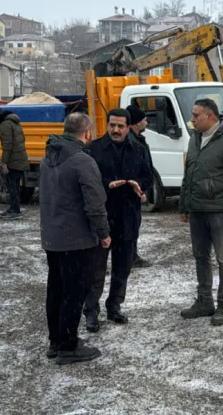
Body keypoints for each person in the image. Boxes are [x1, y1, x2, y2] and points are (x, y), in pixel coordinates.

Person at [39, 112, 111, 365]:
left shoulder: (48, 157)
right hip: (77, 239)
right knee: (74, 291)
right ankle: (68, 346)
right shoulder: (82, 161)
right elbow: (94, 203)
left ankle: (56, 341)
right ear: (88, 132)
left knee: (56, 290)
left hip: (53, 236)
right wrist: (103, 233)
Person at [178, 98, 223, 327]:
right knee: (200, 256)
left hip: (219, 211)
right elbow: (189, 173)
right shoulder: (194, 139)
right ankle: (204, 301)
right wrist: (184, 204)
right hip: (197, 209)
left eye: (196, 115)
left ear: (210, 116)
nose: (192, 119)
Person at [84, 108, 153, 332]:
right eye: (112, 125)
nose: (115, 129)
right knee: (96, 268)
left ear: (128, 127)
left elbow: (148, 176)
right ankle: (91, 311)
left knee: (122, 267)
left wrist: (139, 186)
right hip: (102, 217)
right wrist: (106, 185)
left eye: (120, 126)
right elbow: (86, 181)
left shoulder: (139, 149)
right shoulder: (94, 149)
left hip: (128, 217)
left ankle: (114, 305)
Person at [126, 104, 154, 269]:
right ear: (136, 122)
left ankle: (132, 255)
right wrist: (138, 189)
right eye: (144, 119)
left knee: (133, 225)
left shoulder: (137, 139)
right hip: (132, 191)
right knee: (130, 226)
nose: (146, 122)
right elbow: (133, 169)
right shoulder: (131, 142)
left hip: (137, 189)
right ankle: (130, 257)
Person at [0, 107, 30, 219]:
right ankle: (13, 208)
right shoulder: (15, 123)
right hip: (20, 158)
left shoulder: (5, 125)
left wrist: (4, 162)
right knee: (15, 186)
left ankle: (15, 210)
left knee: (12, 186)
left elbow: (7, 145)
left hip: (13, 160)